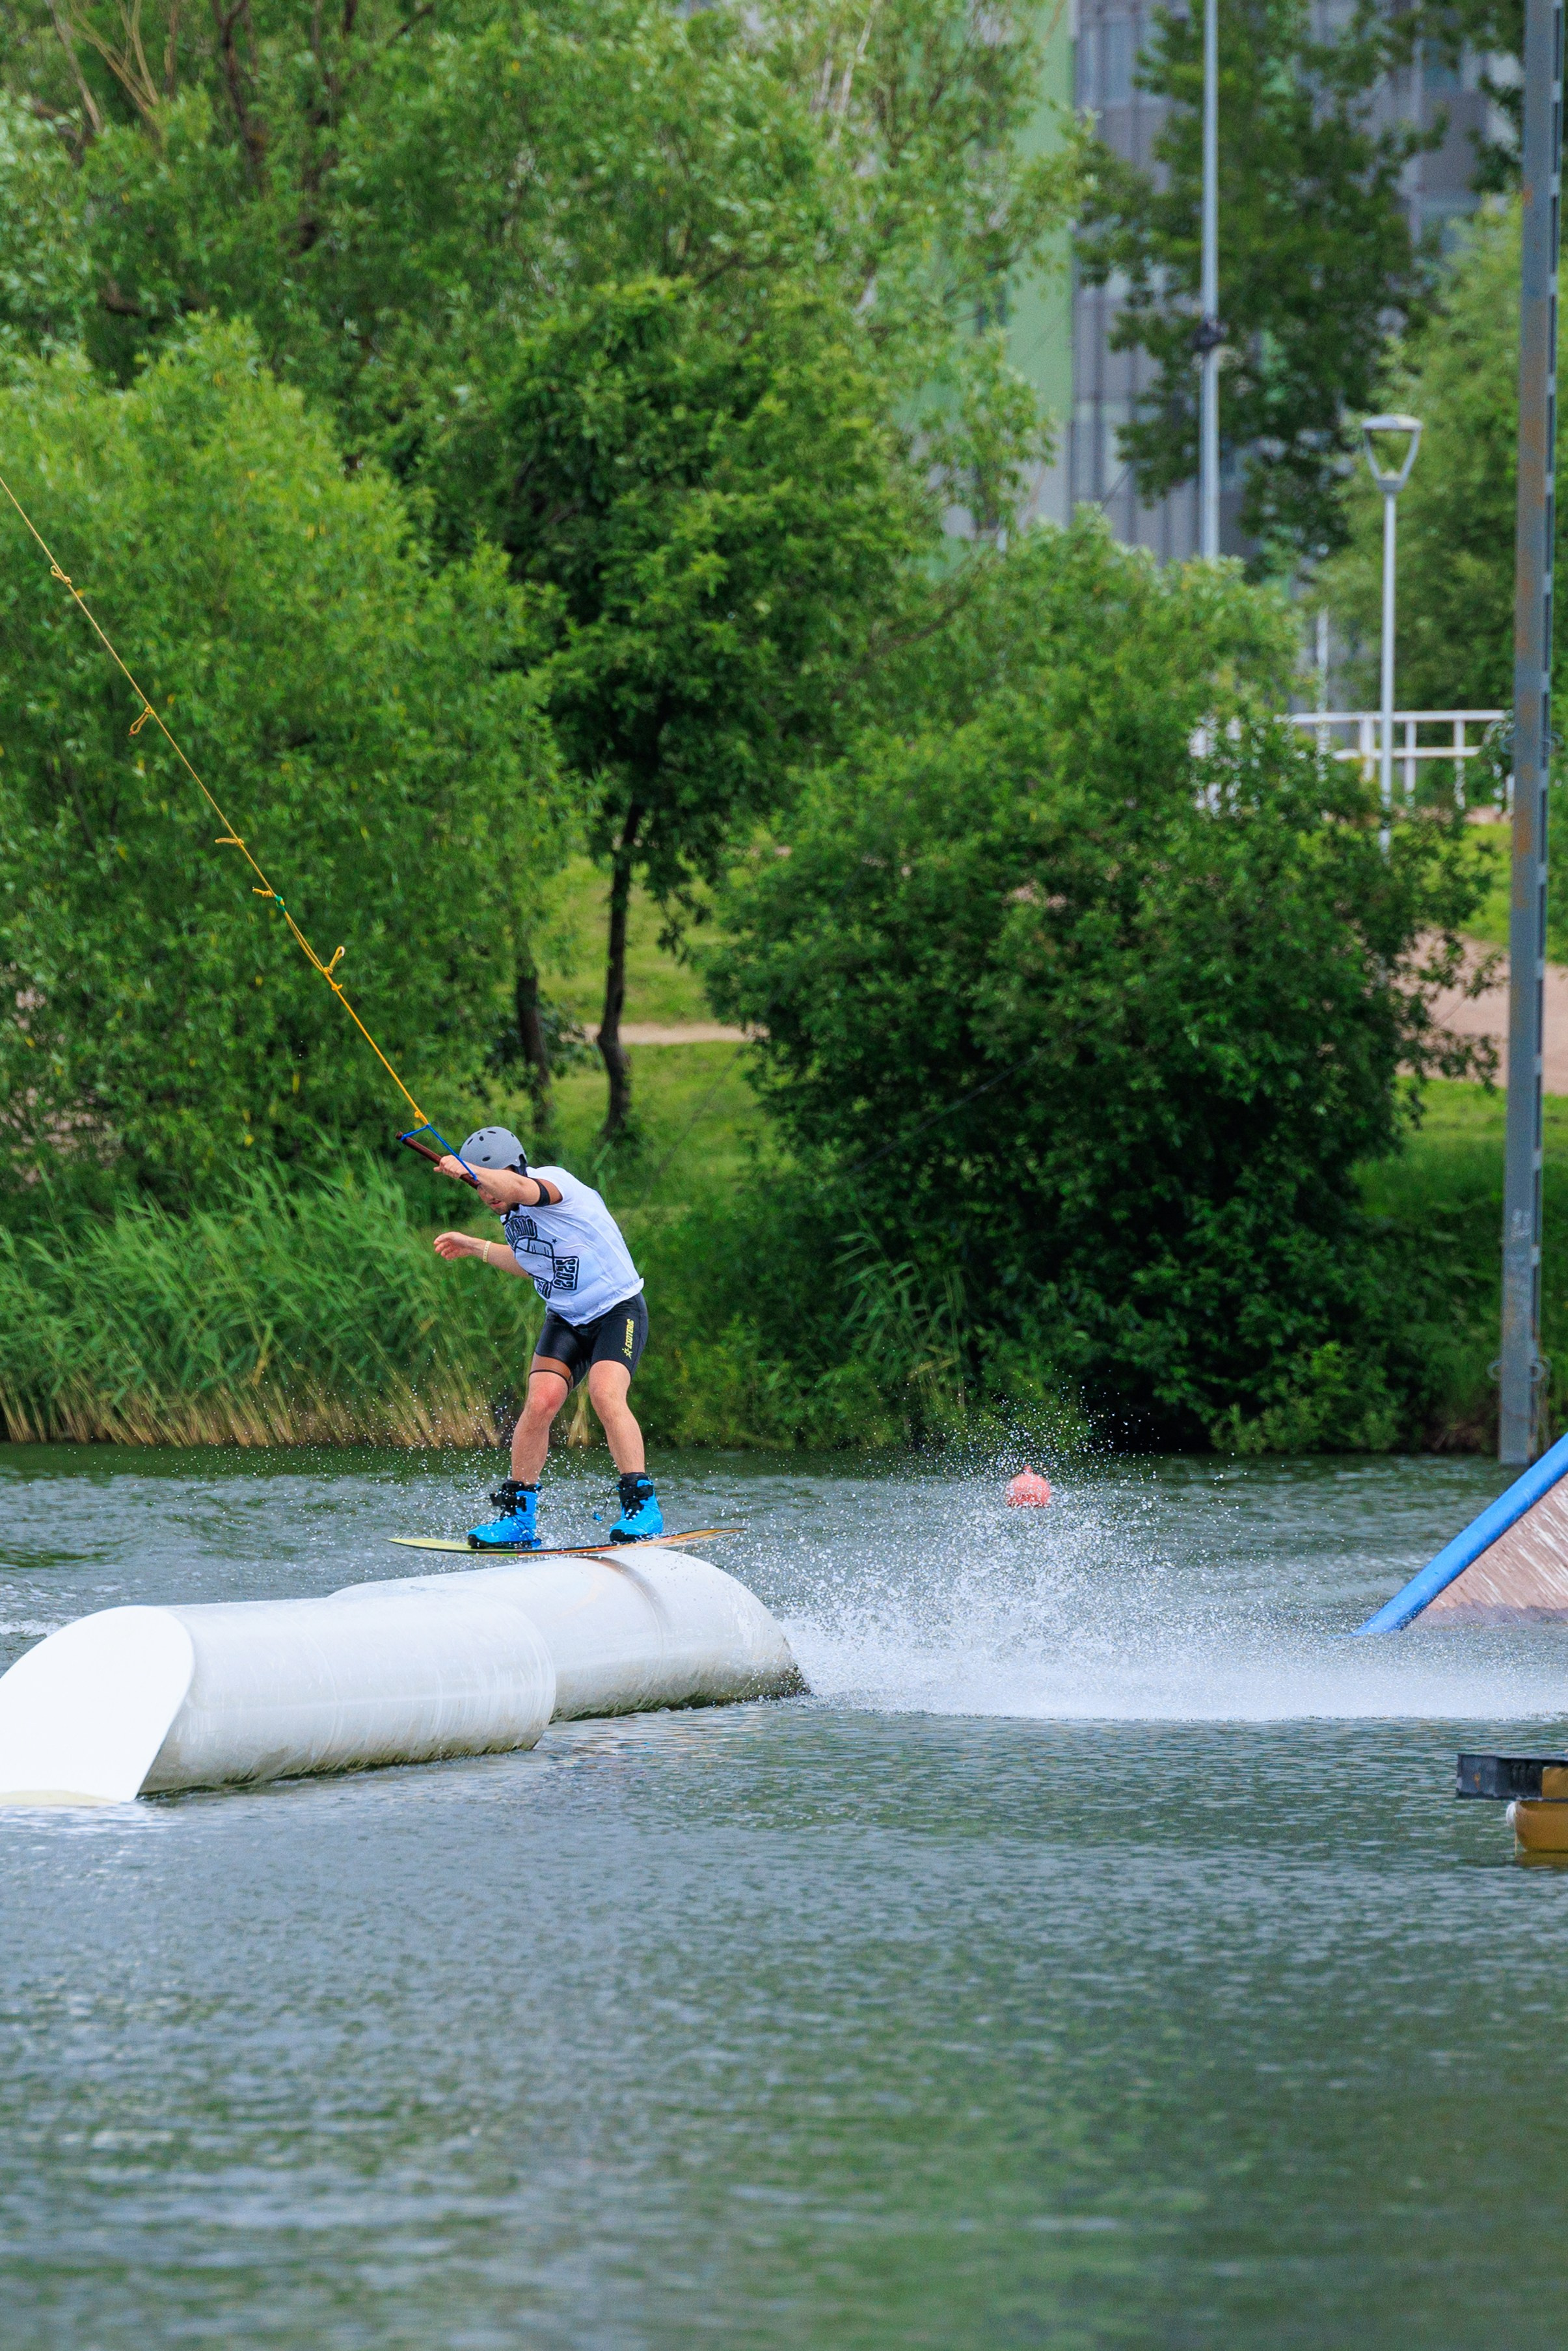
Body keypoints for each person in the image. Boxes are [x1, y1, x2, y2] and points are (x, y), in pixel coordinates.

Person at [431, 1126, 662, 1549]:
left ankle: (642, 1509)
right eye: (478, 1185)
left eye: (490, 1180)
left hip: (617, 1309)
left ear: (514, 1167)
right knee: (539, 1402)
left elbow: (517, 1185)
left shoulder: (553, 1184)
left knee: (605, 1394)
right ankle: (518, 1518)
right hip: (566, 1316)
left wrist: (472, 1172)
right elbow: (533, 1261)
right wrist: (474, 1246)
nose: (487, 1194)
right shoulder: (511, 1215)